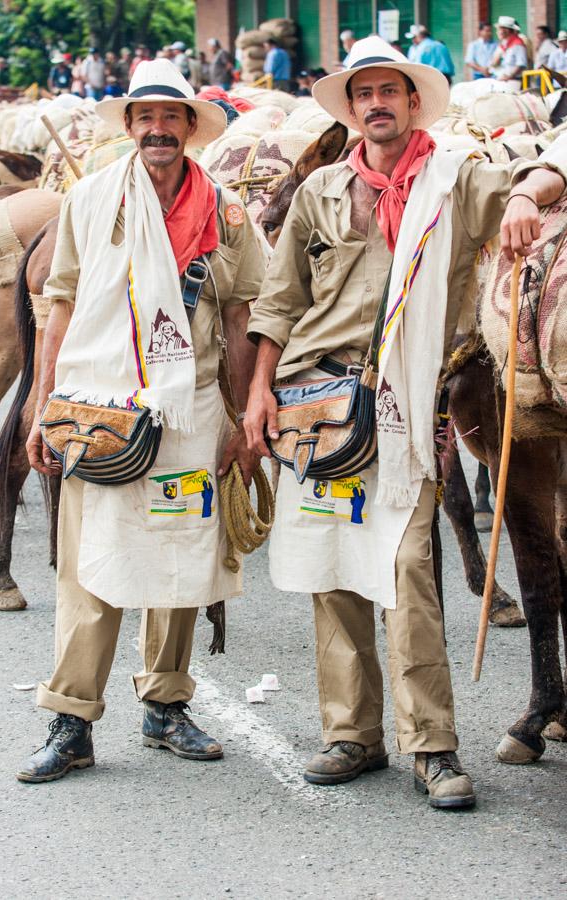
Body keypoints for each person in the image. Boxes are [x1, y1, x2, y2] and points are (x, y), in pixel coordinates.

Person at [243, 35, 566, 808]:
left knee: (407, 569)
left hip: (403, 402)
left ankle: (433, 746)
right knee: (331, 571)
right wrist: (257, 392)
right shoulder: (319, 190)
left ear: (412, 102)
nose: (376, 104)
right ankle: (350, 734)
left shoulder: (456, 179)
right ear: (350, 109)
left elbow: (540, 173)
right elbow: (280, 304)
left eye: (389, 91)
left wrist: (525, 197)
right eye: (363, 95)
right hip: (313, 405)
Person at [15, 58, 264, 784]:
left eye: (171, 116)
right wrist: (41, 405)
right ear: (129, 126)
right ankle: (71, 721)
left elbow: (245, 314)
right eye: (145, 116)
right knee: (90, 563)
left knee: (181, 557)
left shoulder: (226, 211)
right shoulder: (90, 199)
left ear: (190, 126)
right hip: (99, 413)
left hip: (191, 412)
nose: (158, 128)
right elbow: (59, 306)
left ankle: (165, 705)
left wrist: (242, 419)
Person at [491, 17, 528, 84]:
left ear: (507, 30)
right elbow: (494, 63)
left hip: (513, 81)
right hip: (502, 79)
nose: (497, 32)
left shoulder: (518, 44)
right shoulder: (504, 44)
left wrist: (509, 76)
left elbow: (521, 64)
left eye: (499, 29)